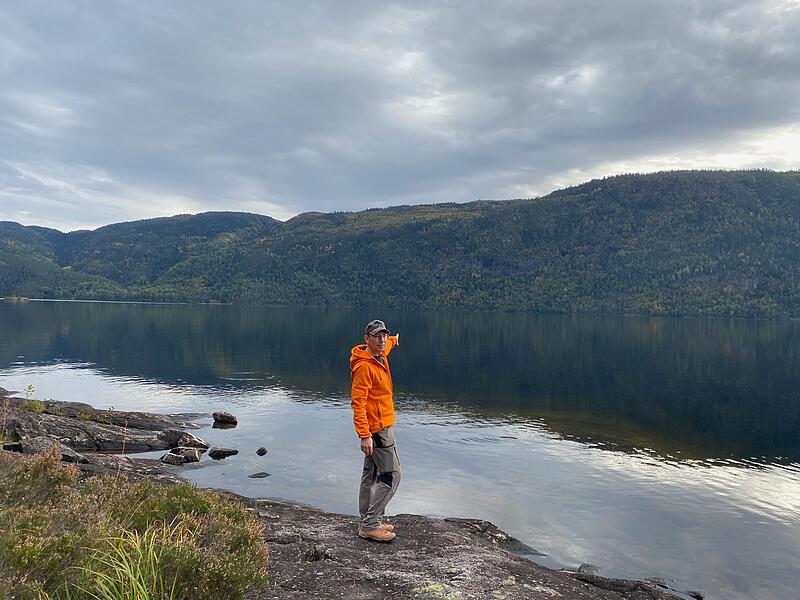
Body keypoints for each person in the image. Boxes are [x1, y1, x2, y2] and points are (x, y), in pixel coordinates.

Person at [350, 319, 402, 542]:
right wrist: (364, 435)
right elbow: (358, 403)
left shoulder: (380, 354)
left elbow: (388, 344)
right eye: (376, 336)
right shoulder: (364, 367)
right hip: (377, 430)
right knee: (392, 475)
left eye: (384, 335)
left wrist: (394, 340)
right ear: (366, 339)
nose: (381, 339)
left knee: (370, 475)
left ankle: (367, 519)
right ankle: (371, 524)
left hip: (380, 426)